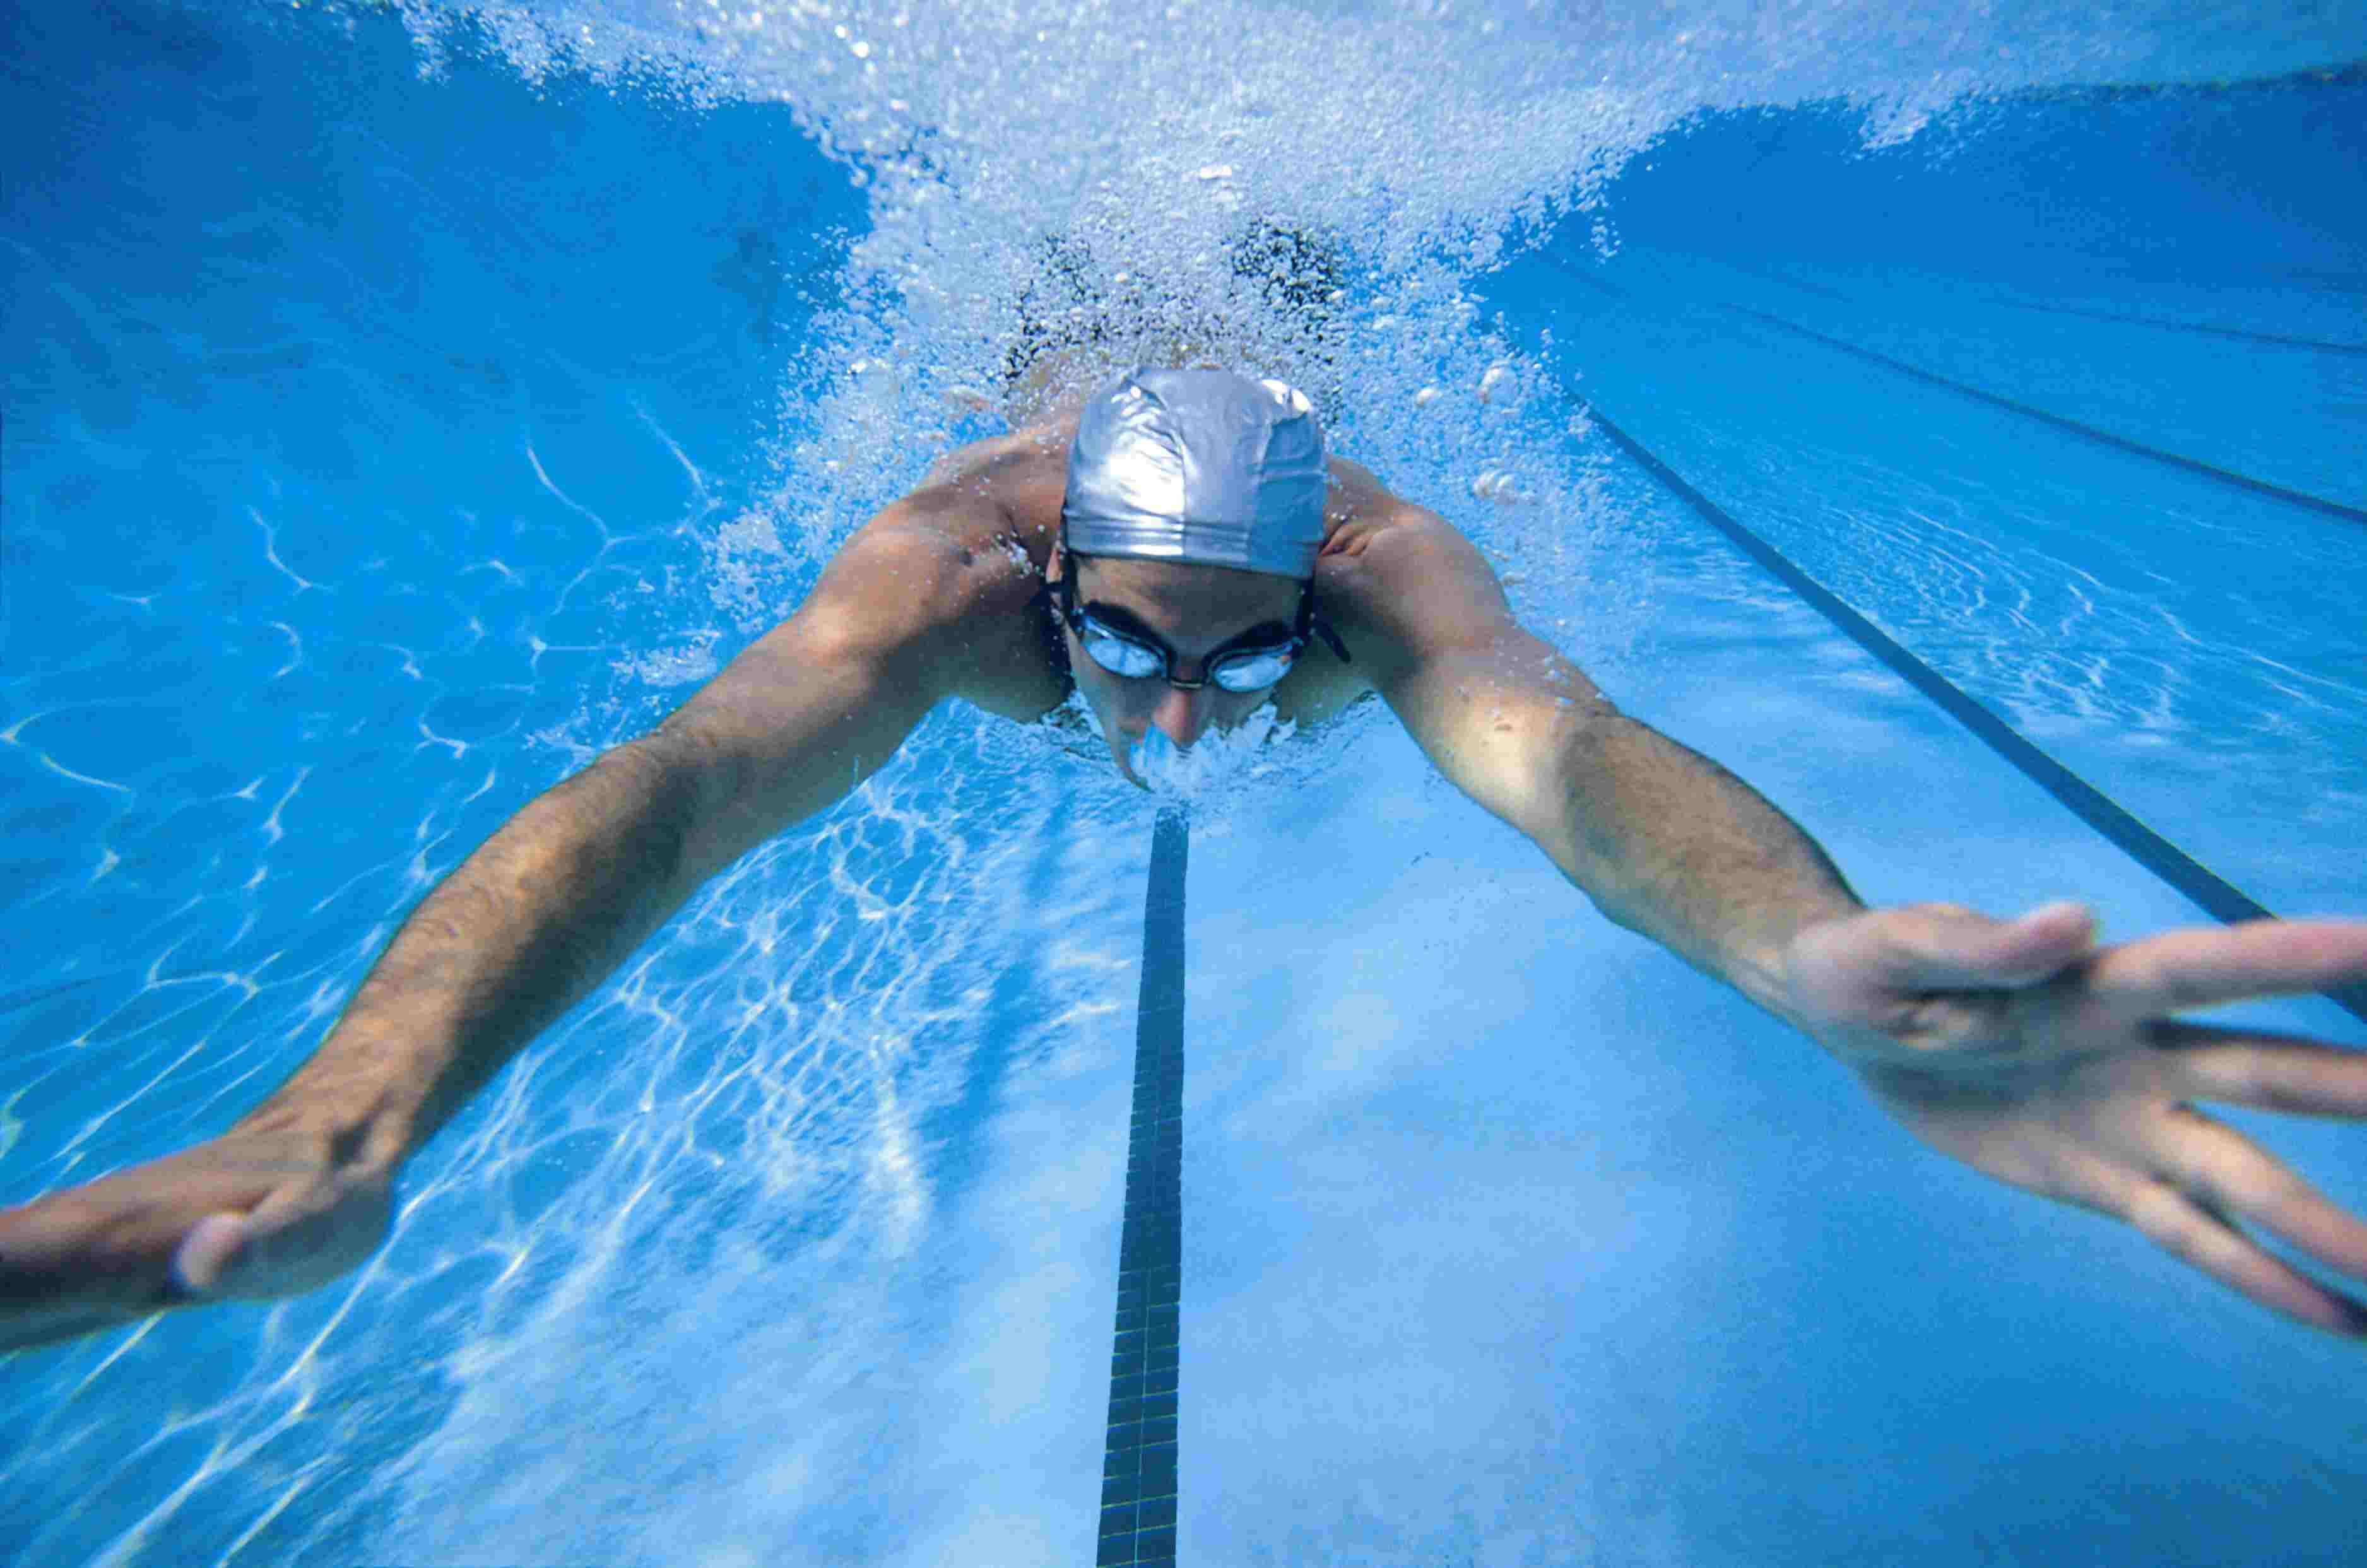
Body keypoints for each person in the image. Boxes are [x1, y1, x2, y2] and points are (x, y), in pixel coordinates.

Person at [4, 365, 2365, 1357]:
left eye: (1248, 664)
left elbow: (1565, 754)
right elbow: (685, 794)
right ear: (1049, 588)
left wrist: (1812, 950)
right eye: (1128, 650)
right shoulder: (941, 578)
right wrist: (353, 1115)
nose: (1179, 721)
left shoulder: (1384, 573)